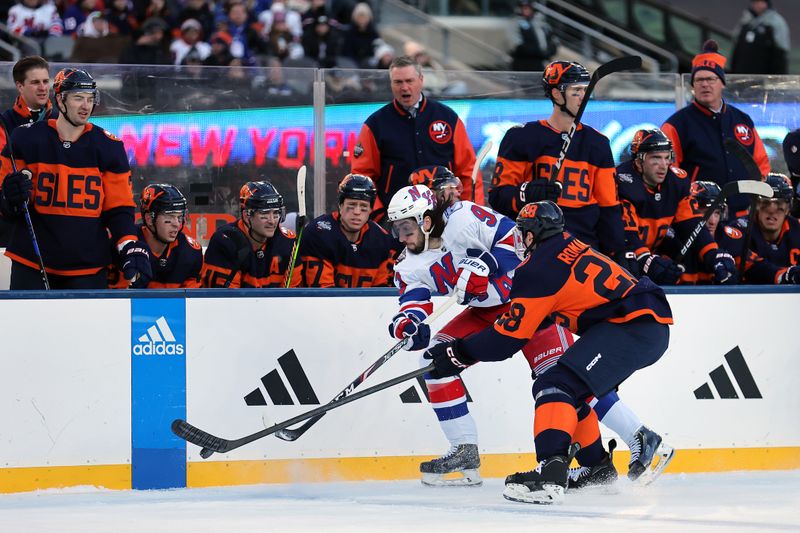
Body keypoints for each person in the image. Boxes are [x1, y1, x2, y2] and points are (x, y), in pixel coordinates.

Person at [387, 185, 671, 487]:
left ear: (426, 219)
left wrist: (488, 263)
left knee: (568, 381)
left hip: (533, 302)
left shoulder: (463, 217)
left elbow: (517, 239)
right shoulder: (407, 264)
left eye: (406, 227)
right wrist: (410, 324)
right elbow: (414, 301)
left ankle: (602, 458)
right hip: (486, 312)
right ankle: (464, 451)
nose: (402, 237)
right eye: (396, 230)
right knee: (432, 357)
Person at [0, 68, 151, 290]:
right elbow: (7, 205)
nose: (85, 106)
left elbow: (119, 208)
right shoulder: (26, 138)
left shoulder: (110, 147)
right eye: (78, 98)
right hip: (32, 263)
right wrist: (9, 198)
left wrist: (129, 244)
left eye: (90, 99)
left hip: (88, 267)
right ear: (60, 99)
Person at [489, 60, 631, 271]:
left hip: (583, 250)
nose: (583, 96)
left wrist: (618, 251)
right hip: (533, 247)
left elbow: (608, 207)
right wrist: (527, 193)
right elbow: (498, 197)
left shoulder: (598, 144)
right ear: (556, 94)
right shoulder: (521, 138)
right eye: (576, 91)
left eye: (585, 90)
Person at [351, 55, 481, 222]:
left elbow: (468, 170)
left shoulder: (448, 118)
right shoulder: (376, 124)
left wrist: (471, 211)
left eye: (409, 81)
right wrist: (379, 215)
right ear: (391, 84)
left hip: (446, 214)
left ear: (421, 80)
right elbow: (363, 176)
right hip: (397, 218)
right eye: (398, 82)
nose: (404, 87)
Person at [661, 40, 770, 217]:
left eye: (711, 79)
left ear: (722, 83)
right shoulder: (677, 124)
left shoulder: (743, 120)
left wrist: (758, 201)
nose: (705, 84)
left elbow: (761, 165)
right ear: (693, 86)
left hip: (743, 215)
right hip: (700, 215)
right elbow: (668, 173)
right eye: (699, 80)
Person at [617, 129, 737, 285]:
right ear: (639, 162)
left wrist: (712, 253)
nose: (663, 166)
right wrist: (645, 260)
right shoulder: (622, 182)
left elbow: (692, 223)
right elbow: (625, 235)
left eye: (667, 158)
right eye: (656, 158)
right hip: (622, 257)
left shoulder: (677, 182)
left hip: (652, 253)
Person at [299, 174, 397, 287]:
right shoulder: (318, 233)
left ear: (371, 209)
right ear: (340, 205)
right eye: (351, 205)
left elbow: (381, 294)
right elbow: (323, 294)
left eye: (364, 207)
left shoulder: (381, 240)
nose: (357, 212)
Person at [202, 180, 301, 288]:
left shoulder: (288, 242)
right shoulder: (225, 242)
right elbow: (225, 300)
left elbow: (291, 297)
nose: (272, 221)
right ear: (246, 215)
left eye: (276, 213)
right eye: (264, 214)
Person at [109, 184, 203, 288]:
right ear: (149, 219)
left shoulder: (190, 252)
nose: (176, 224)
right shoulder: (123, 243)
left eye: (179, 217)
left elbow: (193, 301)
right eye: (169, 217)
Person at [717, 173, 800, 284]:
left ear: (787, 208)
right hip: (748, 297)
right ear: (756, 205)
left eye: (779, 204)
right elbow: (750, 266)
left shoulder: (797, 228)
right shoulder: (738, 229)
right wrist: (784, 276)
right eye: (765, 202)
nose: (771, 210)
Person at [730, 0, 790, 75]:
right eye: (755, 2)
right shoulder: (745, 21)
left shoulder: (776, 22)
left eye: (761, 2)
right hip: (742, 73)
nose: (758, 5)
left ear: (767, 4)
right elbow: (736, 46)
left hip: (766, 75)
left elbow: (781, 50)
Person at [508, 0, 557, 72]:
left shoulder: (541, 22)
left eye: (528, 8)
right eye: (524, 8)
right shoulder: (515, 22)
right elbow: (515, 44)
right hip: (523, 62)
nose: (527, 10)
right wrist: (536, 51)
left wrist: (550, 50)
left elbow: (552, 38)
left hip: (541, 62)